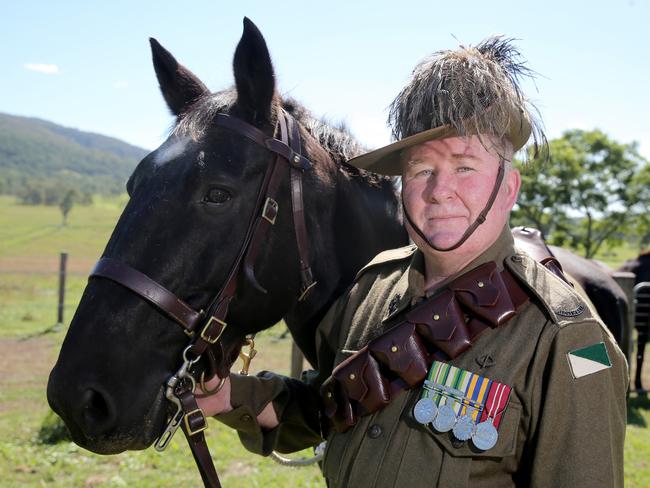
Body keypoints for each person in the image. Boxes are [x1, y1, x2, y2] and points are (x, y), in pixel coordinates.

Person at [196, 37, 628, 487]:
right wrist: (229, 395)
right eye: (422, 170)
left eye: (464, 167)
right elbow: (326, 409)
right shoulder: (370, 288)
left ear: (509, 188)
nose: (440, 190)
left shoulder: (566, 337)